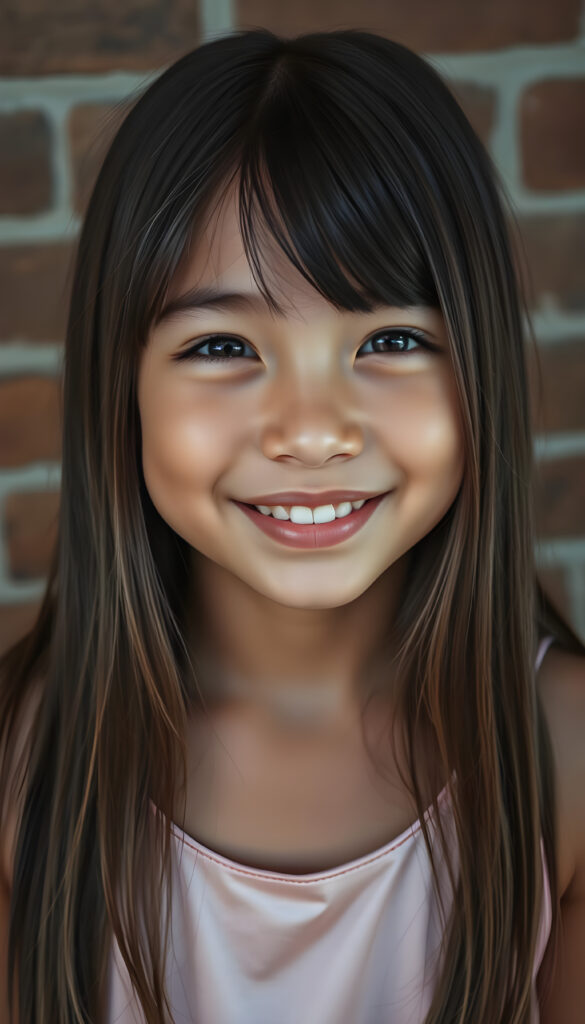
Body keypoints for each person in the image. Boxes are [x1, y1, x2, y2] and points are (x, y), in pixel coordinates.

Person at [1, 28, 584, 1024]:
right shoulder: (27, 761)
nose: (312, 431)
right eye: (225, 343)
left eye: (392, 339)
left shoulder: (563, 751)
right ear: (121, 383)